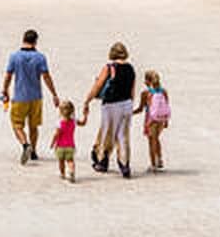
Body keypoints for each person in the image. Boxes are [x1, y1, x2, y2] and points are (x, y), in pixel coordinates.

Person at [1, 28, 60, 164]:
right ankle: (33, 151)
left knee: (17, 125)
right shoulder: (40, 57)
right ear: (35, 42)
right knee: (34, 126)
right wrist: (54, 94)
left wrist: (5, 90)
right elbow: (46, 77)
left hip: (20, 97)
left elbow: (8, 76)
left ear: (23, 40)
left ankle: (25, 144)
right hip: (36, 97)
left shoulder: (14, 57)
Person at [83, 41, 139, 178]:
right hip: (127, 104)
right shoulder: (131, 68)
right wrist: (131, 104)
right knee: (123, 135)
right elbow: (132, 91)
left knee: (107, 132)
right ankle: (124, 165)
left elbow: (98, 85)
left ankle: (102, 161)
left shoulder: (109, 67)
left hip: (111, 105)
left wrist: (87, 100)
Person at [139, 69, 171, 171]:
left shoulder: (146, 93)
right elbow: (166, 105)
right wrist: (166, 121)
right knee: (156, 139)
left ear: (147, 81)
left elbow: (141, 108)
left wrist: (130, 113)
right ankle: (160, 159)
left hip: (151, 119)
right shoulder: (164, 91)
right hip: (161, 119)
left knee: (151, 141)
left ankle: (153, 164)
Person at [51, 99, 83, 181]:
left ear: (60, 111)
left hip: (60, 146)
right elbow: (83, 123)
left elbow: (56, 134)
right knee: (70, 160)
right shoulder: (74, 121)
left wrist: (52, 143)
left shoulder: (59, 122)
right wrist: (85, 116)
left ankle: (62, 174)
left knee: (61, 161)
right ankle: (72, 171)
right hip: (70, 146)